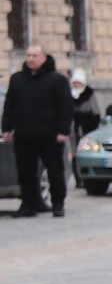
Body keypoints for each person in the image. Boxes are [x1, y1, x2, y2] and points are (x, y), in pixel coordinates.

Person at [2, 45, 75, 217]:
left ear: (44, 57)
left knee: (54, 170)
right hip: (23, 134)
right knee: (25, 171)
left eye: (35, 55)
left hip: (49, 135)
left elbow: (66, 107)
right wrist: (7, 127)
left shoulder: (57, 80)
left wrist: (63, 131)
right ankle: (28, 204)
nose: (30, 59)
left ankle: (58, 203)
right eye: (28, 55)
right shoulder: (17, 79)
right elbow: (9, 105)